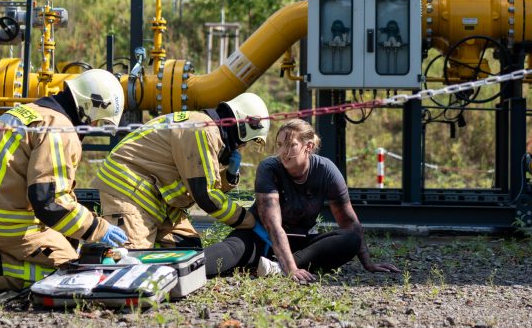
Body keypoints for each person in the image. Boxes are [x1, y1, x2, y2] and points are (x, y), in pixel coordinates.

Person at [0, 69, 129, 296]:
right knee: (75, 271)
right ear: (91, 107)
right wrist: (97, 228)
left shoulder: (28, 111)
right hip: (0, 221)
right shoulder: (60, 128)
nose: (92, 127)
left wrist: (75, 231)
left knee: (68, 238)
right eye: (97, 122)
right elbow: (50, 202)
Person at [205, 118, 400, 283]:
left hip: (300, 245)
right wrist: (290, 269)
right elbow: (273, 226)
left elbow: (349, 221)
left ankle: (274, 267)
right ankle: (177, 269)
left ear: (309, 147)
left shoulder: (326, 170)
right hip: (260, 239)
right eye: (280, 145)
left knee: (351, 239)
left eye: (291, 145)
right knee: (227, 252)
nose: (283, 152)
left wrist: (368, 263)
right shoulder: (269, 167)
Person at [91, 92, 270, 248]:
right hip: (128, 192)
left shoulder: (206, 129)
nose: (243, 147)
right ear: (243, 129)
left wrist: (229, 175)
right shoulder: (203, 130)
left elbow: (201, 181)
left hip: (159, 201)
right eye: (247, 141)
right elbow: (206, 196)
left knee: (188, 248)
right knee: (131, 260)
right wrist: (249, 221)